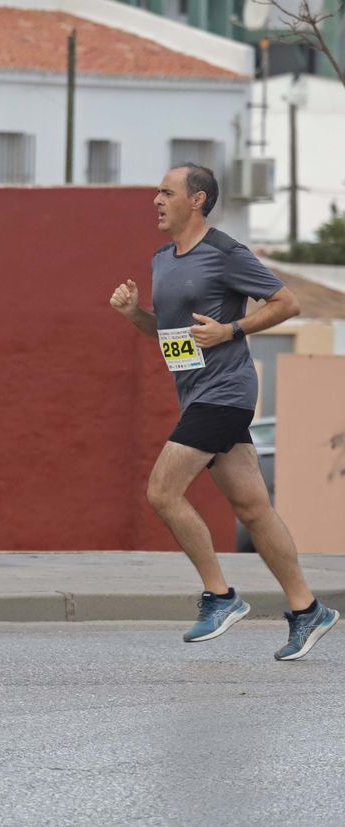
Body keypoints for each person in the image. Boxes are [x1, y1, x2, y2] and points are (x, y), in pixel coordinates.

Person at [108, 163, 338, 661]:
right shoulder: (162, 259)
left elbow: (287, 302)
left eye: (166, 192)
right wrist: (134, 315)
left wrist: (231, 330)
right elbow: (167, 334)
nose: (156, 200)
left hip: (225, 391)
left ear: (198, 200)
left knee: (162, 491)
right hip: (196, 394)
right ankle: (308, 609)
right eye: (156, 192)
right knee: (253, 508)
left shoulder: (225, 252)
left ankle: (221, 596)